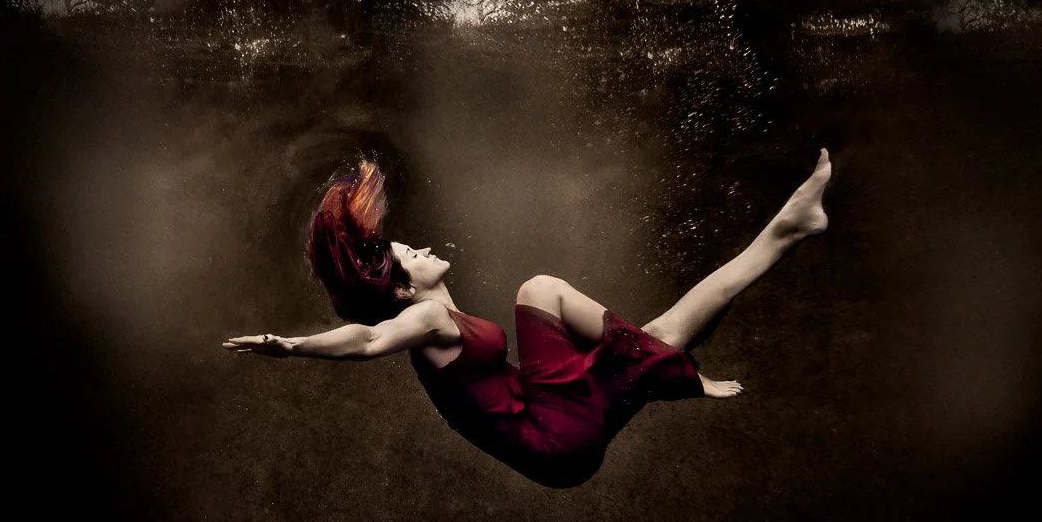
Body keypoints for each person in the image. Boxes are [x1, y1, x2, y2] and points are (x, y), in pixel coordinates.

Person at [224, 150, 833, 487]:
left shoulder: (442, 314)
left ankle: (786, 230)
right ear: (404, 289)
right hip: (552, 438)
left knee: (664, 334)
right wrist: (292, 346)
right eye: (412, 254)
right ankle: (670, 370)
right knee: (541, 290)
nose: (426, 248)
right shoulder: (426, 324)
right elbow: (366, 340)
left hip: (554, 430)